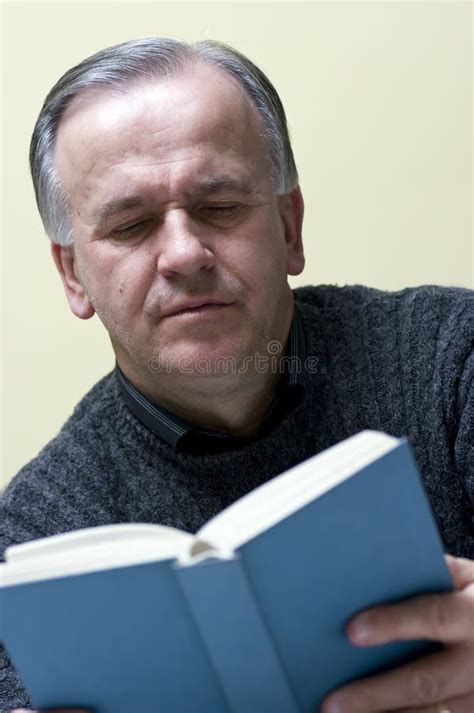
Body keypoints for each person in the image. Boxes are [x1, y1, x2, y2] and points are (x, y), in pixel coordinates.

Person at [1, 36, 473, 713]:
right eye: (132, 225)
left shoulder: (455, 362)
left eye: (220, 206)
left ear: (290, 223)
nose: (185, 253)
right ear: (73, 274)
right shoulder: (31, 544)